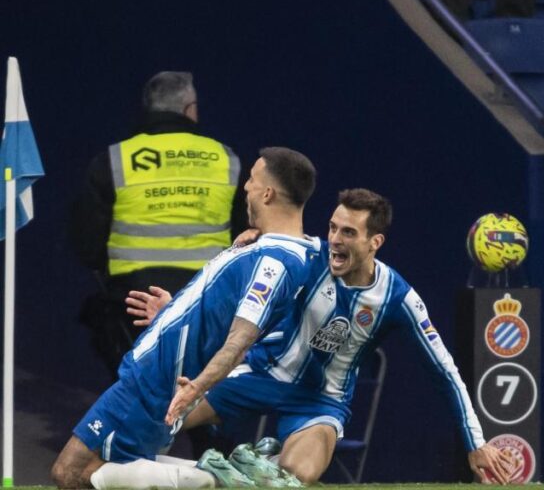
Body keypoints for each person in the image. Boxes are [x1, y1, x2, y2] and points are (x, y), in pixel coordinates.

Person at [127, 188, 516, 485]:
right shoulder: (304, 257)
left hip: (320, 401)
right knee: (151, 420)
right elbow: (236, 285)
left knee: (295, 476)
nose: (335, 239)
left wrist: (475, 442)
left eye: (348, 232)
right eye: (332, 227)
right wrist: (175, 308)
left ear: (374, 243)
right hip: (259, 374)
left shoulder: (398, 298)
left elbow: (444, 370)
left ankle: (255, 465)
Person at [51, 147, 321, 489]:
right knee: (109, 471)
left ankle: (216, 477)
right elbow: (221, 312)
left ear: (268, 193)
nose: (246, 188)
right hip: (157, 374)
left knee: (70, 473)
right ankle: (213, 473)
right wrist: (171, 314)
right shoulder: (276, 248)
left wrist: (197, 388)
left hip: (156, 379)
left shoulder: (274, 261)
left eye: (252, 180)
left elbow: (240, 338)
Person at [70, 71, 247, 378]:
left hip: (132, 308)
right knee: (201, 402)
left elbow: (87, 244)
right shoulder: (226, 160)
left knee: (139, 399)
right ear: (190, 109)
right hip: (206, 307)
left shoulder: (114, 160)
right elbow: (247, 235)